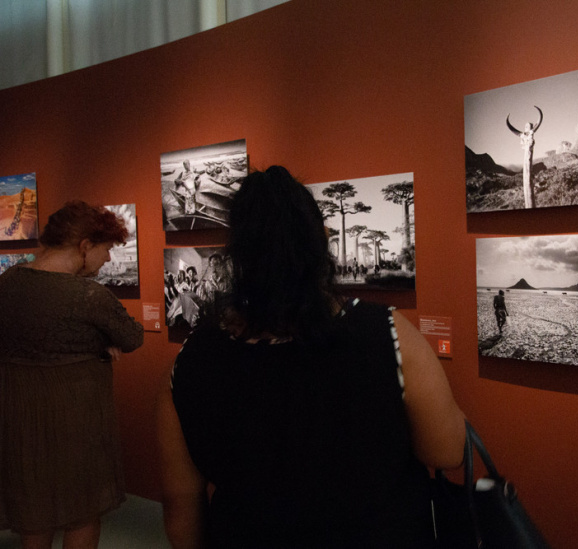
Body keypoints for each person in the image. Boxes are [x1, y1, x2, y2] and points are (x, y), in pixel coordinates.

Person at [157, 166, 465, 548]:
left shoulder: (192, 359)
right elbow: (449, 451)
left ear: (236, 252)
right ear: (319, 243)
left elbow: (180, 504)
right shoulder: (386, 332)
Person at [0, 200, 144, 549]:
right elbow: (132, 337)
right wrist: (101, 341)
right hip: (76, 418)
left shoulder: (7, 282)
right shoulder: (88, 296)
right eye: (106, 249)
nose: (108, 259)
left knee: (34, 513)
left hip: (19, 418)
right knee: (82, 511)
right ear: (84, 247)